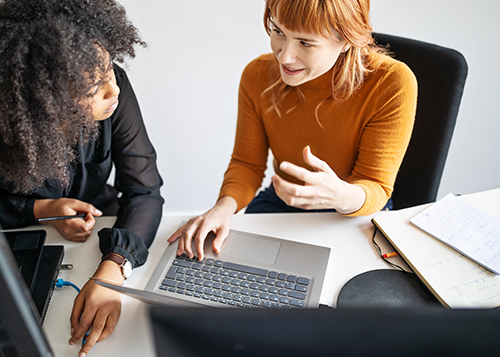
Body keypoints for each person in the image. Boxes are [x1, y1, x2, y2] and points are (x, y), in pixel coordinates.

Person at [168, 0, 417, 261]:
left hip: (355, 209)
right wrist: (223, 207)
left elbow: (375, 186)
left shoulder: (392, 83)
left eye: (305, 43)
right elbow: (247, 164)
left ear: (346, 41)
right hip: (283, 202)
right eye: (278, 32)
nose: (284, 56)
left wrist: (339, 195)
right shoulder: (256, 75)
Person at [0, 0, 164, 356]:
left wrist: (113, 269)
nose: (114, 90)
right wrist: (40, 210)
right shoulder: (10, 120)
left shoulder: (114, 88)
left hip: (98, 227)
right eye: (94, 89)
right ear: (46, 102)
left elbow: (146, 190)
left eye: (110, 71)